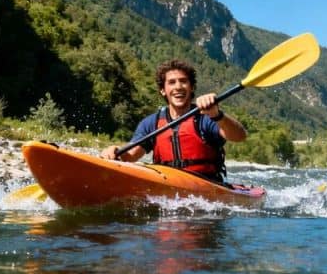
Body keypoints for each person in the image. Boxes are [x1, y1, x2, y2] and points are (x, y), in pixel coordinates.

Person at [100, 59, 247, 182]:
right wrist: (115, 151)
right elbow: (130, 156)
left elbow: (240, 136)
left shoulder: (205, 118)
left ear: (192, 87)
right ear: (163, 90)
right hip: (168, 183)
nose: (178, 87)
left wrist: (217, 115)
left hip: (206, 184)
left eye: (183, 81)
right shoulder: (151, 123)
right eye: (171, 82)